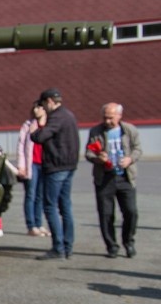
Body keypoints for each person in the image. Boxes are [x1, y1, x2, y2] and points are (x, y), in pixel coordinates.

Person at [85, 102, 141, 258]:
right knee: (106, 214)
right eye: (105, 117)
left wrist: (130, 159)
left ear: (119, 116)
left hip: (125, 177)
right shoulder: (96, 131)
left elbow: (138, 149)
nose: (107, 121)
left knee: (131, 212)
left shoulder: (129, 130)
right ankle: (112, 246)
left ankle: (128, 242)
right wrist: (99, 158)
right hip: (104, 178)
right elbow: (88, 153)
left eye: (111, 118)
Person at [31, 87, 80, 260]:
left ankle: (58, 247)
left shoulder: (57, 117)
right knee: (65, 206)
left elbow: (39, 137)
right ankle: (68, 246)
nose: (43, 108)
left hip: (56, 167)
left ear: (50, 101)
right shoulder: (69, 115)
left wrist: (37, 124)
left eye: (44, 104)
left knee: (50, 206)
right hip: (68, 166)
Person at [17, 102, 49, 237]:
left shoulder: (49, 125)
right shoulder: (28, 125)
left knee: (40, 196)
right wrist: (21, 165)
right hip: (32, 164)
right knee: (31, 194)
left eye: (40, 107)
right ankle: (31, 226)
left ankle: (39, 223)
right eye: (35, 107)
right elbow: (21, 145)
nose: (37, 110)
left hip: (45, 164)